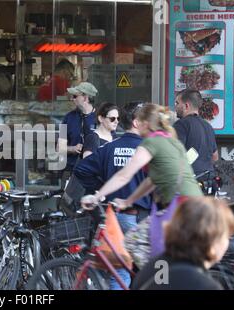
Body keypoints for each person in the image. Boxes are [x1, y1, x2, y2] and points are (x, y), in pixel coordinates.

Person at [74, 101, 152, 289]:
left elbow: (81, 169)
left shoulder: (110, 147)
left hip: (112, 217)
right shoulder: (149, 148)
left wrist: (100, 189)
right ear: (136, 122)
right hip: (139, 218)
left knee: (115, 269)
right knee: (145, 272)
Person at [81, 103, 202, 209]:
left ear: (144, 124)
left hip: (180, 209)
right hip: (196, 204)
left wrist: (96, 197)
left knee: (134, 236)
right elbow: (151, 181)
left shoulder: (151, 142)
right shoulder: (172, 140)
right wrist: (128, 201)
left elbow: (124, 176)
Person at [132, 197, 234, 290]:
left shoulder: (156, 265)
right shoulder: (204, 285)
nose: (228, 242)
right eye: (227, 236)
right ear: (212, 239)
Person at [173, 89, 218, 179]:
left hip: (189, 181)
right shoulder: (208, 126)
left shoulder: (181, 125)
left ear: (186, 106)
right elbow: (215, 156)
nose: (175, 107)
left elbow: (174, 155)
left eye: (177, 103)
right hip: (209, 180)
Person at [58, 82, 98, 172]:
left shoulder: (100, 118)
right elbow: (59, 147)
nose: (72, 99)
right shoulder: (68, 118)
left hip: (94, 170)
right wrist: (73, 149)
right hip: (71, 169)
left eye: (75, 96)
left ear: (85, 98)